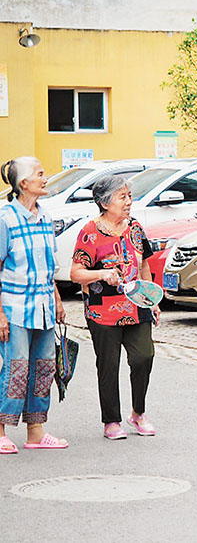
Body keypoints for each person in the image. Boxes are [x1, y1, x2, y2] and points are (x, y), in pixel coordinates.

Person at [70, 174, 160, 440]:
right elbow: (76, 273)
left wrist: (152, 298)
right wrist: (101, 274)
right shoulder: (90, 232)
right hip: (102, 310)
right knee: (108, 365)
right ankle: (111, 420)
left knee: (144, 356)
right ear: (105, 202)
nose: (129, 201)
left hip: (137, 304)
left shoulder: (135, 227)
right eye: (122, 197)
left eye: (129, 196)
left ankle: (138, 413)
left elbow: (144, 263)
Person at [0, 157, 68, 454]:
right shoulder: (5, 219)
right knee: (16, 368)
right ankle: (1, 429)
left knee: (44, 368)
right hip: (14, 308)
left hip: (44, 308)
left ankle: (36, 432)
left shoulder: (45, 216)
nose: (45, 178)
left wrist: (58, 300)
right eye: (40, 174)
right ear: (24, 183)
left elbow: (48, 266)